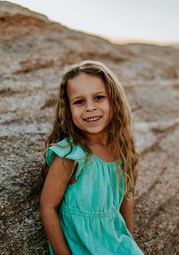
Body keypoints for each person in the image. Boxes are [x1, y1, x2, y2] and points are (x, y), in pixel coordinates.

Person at [39, 60, 143, 255]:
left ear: (114, 100)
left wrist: (130, 243)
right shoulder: (71, 155)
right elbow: (47, 207)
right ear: (68, 109)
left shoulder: (121, 148)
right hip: (83, 248)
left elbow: (125, 198)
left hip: (117, 244)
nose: (89, 107)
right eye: (79, 101)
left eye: (99, 97)